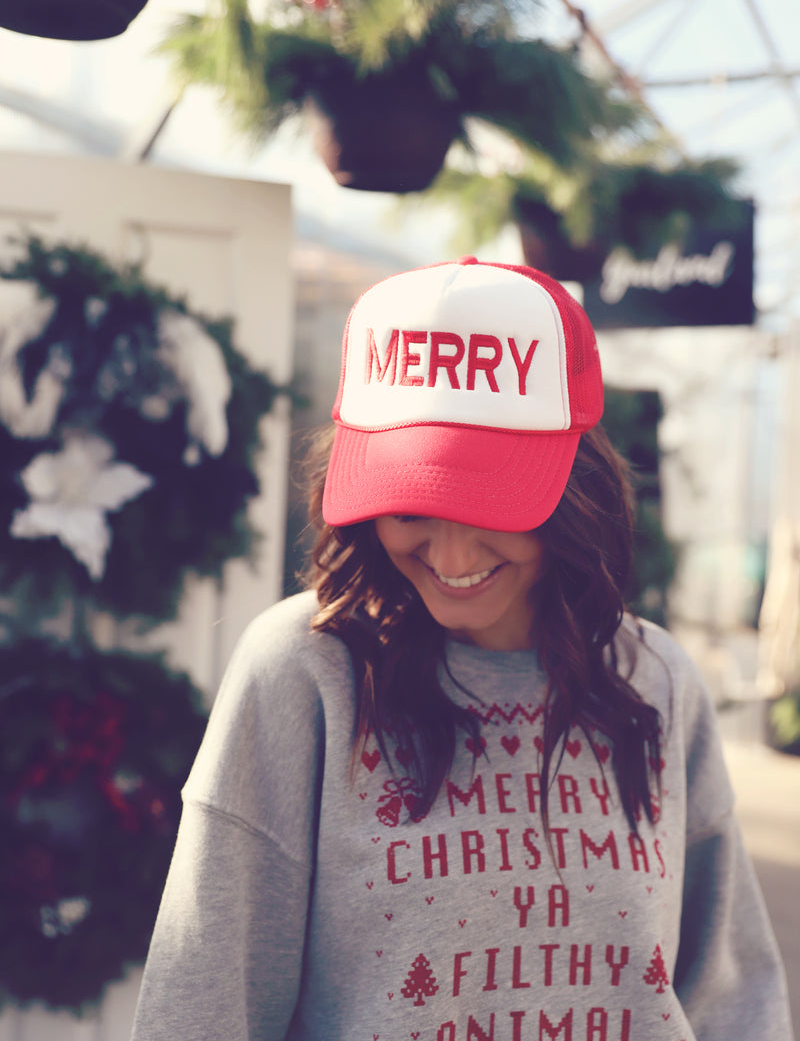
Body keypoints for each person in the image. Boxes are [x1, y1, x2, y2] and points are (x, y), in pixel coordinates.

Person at [131, 257, 792, 1041]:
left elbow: (734, 998)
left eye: (490, 502)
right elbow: (202, 1003)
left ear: (574, 488)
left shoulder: (656, 680)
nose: (448, 558)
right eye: (408, 506)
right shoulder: (303, 674)